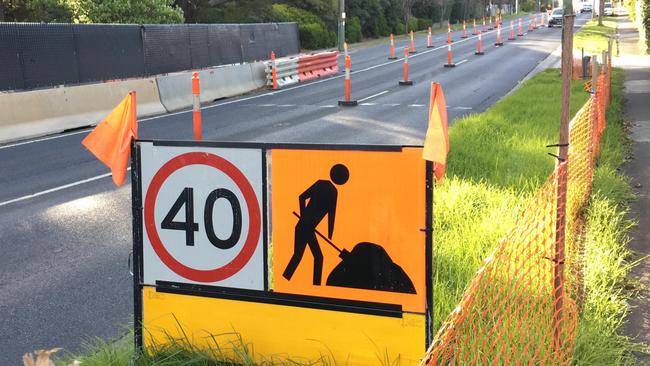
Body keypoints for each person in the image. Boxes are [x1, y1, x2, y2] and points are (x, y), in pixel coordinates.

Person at [282, 164, 349, 285]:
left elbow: (331, 214)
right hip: (304, 227)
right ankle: (290, 282)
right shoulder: (329, 189)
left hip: (307, 228)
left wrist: (330, 234)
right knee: (306, 257)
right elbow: (302, 197)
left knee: (307, 257)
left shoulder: (327, 188)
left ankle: (291, 280)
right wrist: (305, 218)